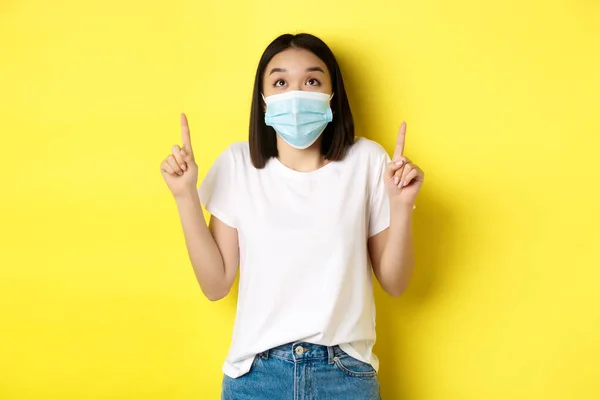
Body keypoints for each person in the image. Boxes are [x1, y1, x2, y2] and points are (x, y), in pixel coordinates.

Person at [160, 33, 424, 400]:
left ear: (333, 95)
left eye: (312, 81)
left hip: (345, 376)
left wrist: (401, 205)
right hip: (256, 378)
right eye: (280, 82)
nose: (296, 94)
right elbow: (216, 285)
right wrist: (185, 195)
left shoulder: (367, 161)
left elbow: (395, 283)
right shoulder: (238, 164)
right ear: (264, 99)